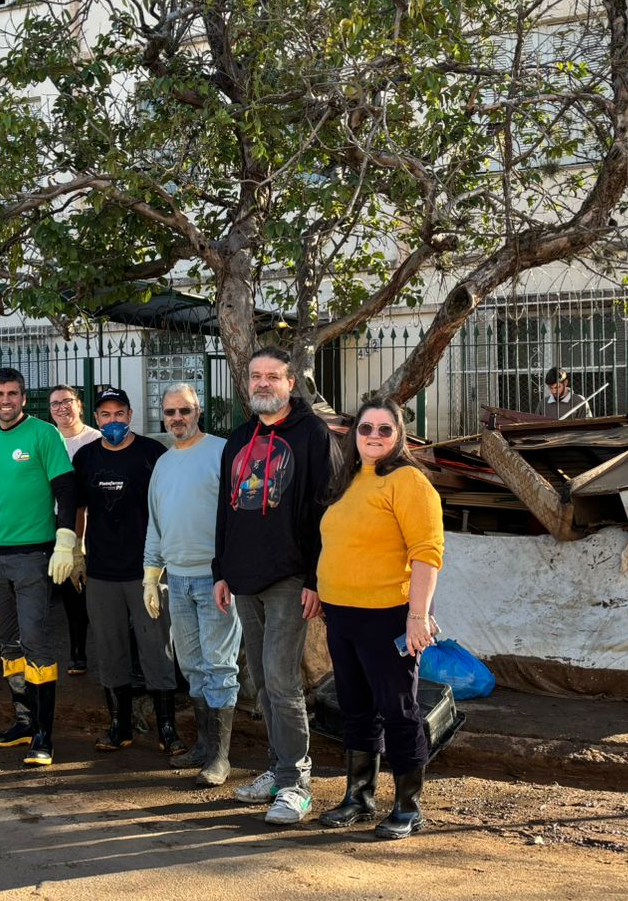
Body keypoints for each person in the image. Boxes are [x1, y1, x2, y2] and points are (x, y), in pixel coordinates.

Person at [213, 346, 336, 825]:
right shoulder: (238, 439)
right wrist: (220, 570)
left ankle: (296, 783)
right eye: (256, 376)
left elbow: (325, 509)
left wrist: (316, 577)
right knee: (261, 681)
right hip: (244, 579)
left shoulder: (312, 435)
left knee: (282, 681)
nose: (263, 384)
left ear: (290, 383)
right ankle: (278, 766)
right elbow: (225, 510)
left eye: (273, 377)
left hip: (290, 578)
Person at [315, 397, 444, 839]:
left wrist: (418, 617)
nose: (373, 436)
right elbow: (336, 544)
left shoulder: (409, 482)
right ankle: (359, 796)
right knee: (355, 707)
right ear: (354, 435)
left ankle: (408, 805)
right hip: (342, 614)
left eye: (384, 429)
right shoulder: (347, 480)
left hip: (388, 616)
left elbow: (427, 554)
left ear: (399, 436)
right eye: (366, 428)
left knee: (399, 708)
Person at [0, 367, 78, 766]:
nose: (5, 400)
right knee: (7, 643)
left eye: (12, 393)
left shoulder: (43, 435)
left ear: (24, 398)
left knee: (37, 644)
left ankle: (44, 735)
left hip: (35, 557)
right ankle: (23, 722)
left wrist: (66, 542)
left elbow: (67, 491)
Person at [72, 387, 182, 756]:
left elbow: (169, 507)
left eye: (119, 414)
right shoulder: (86, 457)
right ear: (97, 419)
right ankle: (119, 726)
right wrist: (75, 550)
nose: (113, 421)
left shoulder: (153, 454)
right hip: (101, 572)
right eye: (105, 415)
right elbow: (78, 508)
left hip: (147, 571)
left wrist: (161, 566)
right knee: (109, 648)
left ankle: (168, 728)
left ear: (130, 415)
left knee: (156, 647)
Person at [143, 382, 235, 785]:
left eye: (184, 410)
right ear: (162, 416)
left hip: (216, 580)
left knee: (219, 666)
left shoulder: (221, 451)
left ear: (199, 411)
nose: (177, 418)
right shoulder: (163, 464)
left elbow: (239, 517)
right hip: (176, 581)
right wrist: (151, 575)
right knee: (192, 667)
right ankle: (202, 744)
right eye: (170, 412)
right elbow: (155, 523)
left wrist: (231, 571)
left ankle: (220, 757)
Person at [48, 384, 101, 675]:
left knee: (93, 592)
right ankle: (77, 652)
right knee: (69, 592)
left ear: (79, 405)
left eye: (67, 401)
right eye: (55, 404)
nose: (62, 408)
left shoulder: (95, 439)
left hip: (92, 525)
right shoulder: (46, 438)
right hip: (56, 525)